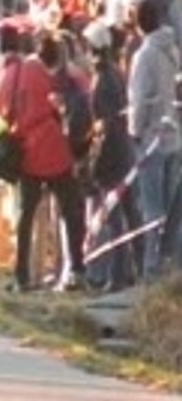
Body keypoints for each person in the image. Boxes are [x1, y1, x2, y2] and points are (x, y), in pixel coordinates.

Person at [0, 32, 87, 292]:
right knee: (71, 211)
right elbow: (81, 101)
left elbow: (0, 103)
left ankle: (22, 275)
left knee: (26, 216)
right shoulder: (63, 76)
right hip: (56, 149)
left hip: (26, 151)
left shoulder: (17, 72)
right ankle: (76, 269)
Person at [82, 19, 144, 292]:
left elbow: (103, 124)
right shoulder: (117, 72)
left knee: (113, 216)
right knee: (131, 213)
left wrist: (96, 160)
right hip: (125, 148)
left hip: (111, 153)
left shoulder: (101, 80)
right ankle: (138, 268)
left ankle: (118, 274)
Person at [127, 0, 182, 282]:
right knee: (173, 211)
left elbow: (139, 100)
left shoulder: (145, 55)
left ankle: (150, 270)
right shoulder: (172, 47)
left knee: (152, 208)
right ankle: (172, 267)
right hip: (174, 136)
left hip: (151, 141)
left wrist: (135, 132)